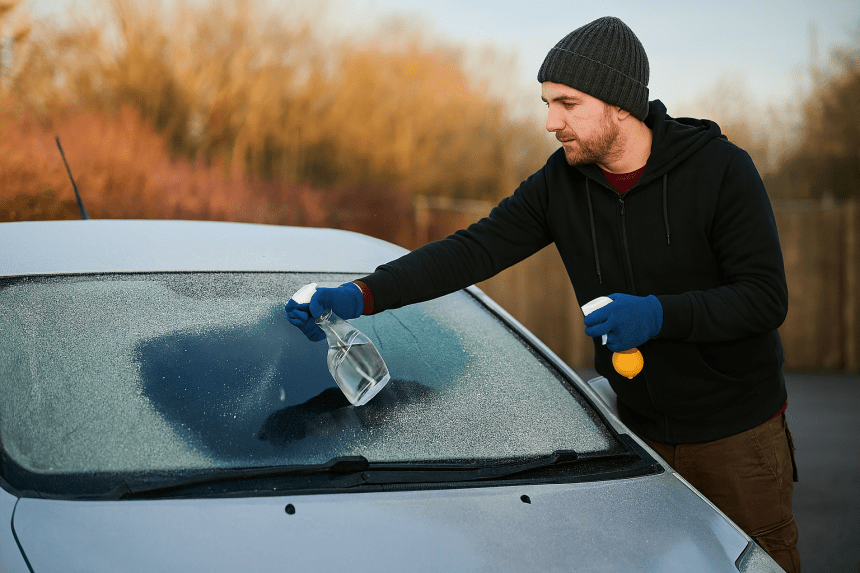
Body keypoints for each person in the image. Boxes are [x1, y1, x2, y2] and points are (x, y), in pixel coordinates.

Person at [285, 16, 800, 572]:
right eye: (546, 102)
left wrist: (658, 315)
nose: (551, 121)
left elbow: (765, 298)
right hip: (635, 434)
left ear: (619, 103)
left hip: (737, 437)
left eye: (568, 103)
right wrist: (361, 294)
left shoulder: (720, 171)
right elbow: (472, 250)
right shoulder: (562, 184)